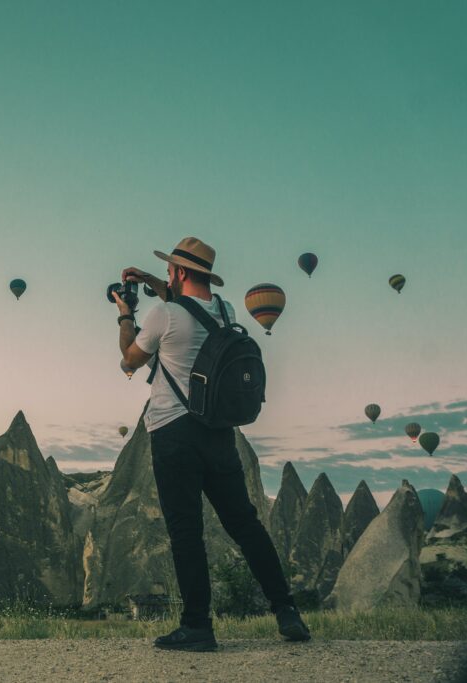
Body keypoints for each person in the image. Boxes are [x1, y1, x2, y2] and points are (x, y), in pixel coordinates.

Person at [113, 236, 311, 652]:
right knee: (246, 524)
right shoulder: (226, 312)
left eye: (169, 270)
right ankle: (286, 611)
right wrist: (150, 277)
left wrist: (125, 315)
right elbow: (189, 304)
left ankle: (198, 626)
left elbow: (130, 360)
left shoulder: (162, 315)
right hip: (220, 434)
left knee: (186, 531)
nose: (166, 276)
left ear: (181, 272)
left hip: (173, 433)